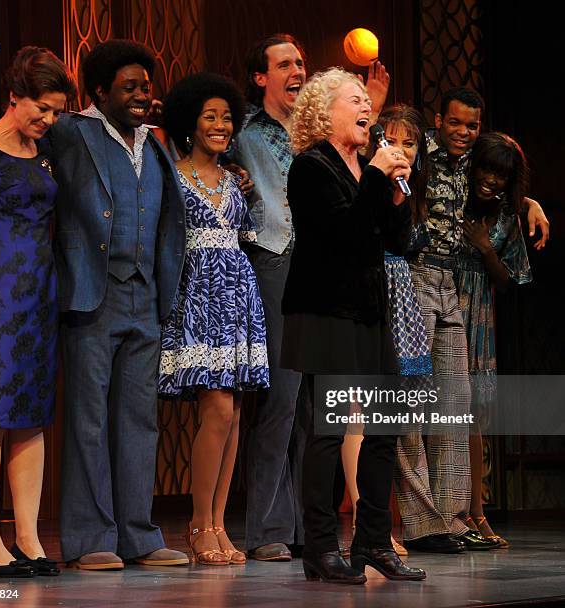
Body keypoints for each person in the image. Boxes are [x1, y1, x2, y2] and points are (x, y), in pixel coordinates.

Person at [0, 40, 191, 570]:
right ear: (100, 91)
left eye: (146, 86)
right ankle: (89, 538)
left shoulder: (155, 143)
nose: (141, 95)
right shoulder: (68, 131)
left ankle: (138, 533)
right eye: (128, 86)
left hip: (135, 294)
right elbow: (1, 135)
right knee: (81, 420)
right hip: (76, 293)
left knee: (136, 420)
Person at [234, 33, 390, 561]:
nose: (297, 70)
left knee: (315, 412)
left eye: (302, 62)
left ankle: (310, 528)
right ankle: (269, 528)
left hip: (333, 277)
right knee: (280, 402)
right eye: (285, 64)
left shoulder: (333, 149)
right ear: (261, 78)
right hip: (277, 263)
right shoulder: (246, 132)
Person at [281, 67, 426, 584]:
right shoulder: (310, 167)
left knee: (385, 429)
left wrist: (395, 191)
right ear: (325, 112)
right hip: (325, 312)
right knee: (328, 433)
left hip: (368, 311)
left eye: (368, 99)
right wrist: (373, 180)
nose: (368, 107)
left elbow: (394, 239)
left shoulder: (367, 168)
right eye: (356, 99)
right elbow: (341, 235)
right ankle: (320, 547)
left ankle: (373, 543)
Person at [403, 87, 548, 553]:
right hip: (418, 274)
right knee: (411, 402)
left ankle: (457, 516)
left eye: (472, 125)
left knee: (460, 408)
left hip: (463, 294)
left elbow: (501, 178)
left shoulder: (477, 167)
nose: (463, 133)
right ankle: (415, 519)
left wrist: (528, 203)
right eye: (455, 123)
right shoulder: (419, 148)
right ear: (439, 120)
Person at [0, 46, 76, 577]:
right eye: (41, 109)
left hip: (37, 294)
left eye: (55, 112)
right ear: (14, 97)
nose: (48, 120)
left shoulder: (44, 152)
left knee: (31, 416)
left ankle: (27, 534)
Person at [158, 72, 269, 566]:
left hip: (237, 294)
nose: (221, 125)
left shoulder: (234, 180)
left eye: (227, 117)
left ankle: (220, 524)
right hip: (197, 294)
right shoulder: (170, 174)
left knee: (234, 413)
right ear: (189, 122)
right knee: (217, 410)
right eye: (210, 116)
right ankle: (198, 522)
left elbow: (245, 235)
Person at [340, 104, 432, 558]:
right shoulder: (364, 174)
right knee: (357, 409)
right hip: (368, 289)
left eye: (410, 143)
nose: (402, 150)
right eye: (391, 141)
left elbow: (401, 239)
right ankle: (362, 516)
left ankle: (380, 520)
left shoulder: (407, 186)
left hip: (399, 291)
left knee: (389, 413)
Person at [456, 132, 532, 547]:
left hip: (479, 314)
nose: (491, 180)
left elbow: (512, 280)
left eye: (501, 175)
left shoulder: (506, 217)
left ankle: (476, 513)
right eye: (486, 169)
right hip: (441, 301)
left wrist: (486, 250)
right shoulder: (453, 198)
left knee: (471, 418)